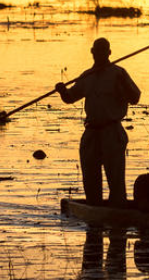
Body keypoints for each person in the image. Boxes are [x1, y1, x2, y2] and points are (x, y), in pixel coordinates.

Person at [56, 37, 141, 205]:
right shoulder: (87, 76)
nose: (100, 54)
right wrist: (62, 91)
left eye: (104, 51)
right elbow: (70, 97)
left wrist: (123, 82)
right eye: (97, 51)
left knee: (115, 179)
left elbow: (135, 97)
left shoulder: (118, 73)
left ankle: (118, 213)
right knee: (90, 177)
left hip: (112, 131)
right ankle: (94, 214)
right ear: (92, 52)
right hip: (91, 132)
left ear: (109, 53)